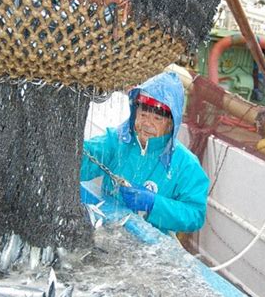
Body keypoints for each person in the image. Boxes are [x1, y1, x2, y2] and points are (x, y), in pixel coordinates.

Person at [80, 71, 209, 233]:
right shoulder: (116, 141)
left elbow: (195, 215)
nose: (147, 124)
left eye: (157, 119)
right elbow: (79, 164)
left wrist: (154, 203)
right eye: (143, 114)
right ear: (134, 113)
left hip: (150, 244)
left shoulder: (186, 164)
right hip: (106, 230)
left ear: (171, 123)